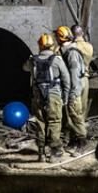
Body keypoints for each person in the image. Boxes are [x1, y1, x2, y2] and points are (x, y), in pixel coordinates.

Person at [27, 32, 71, 161]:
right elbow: (66, 79)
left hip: (38, 96)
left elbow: (24, 68)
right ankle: (54, 153)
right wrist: (65, 96)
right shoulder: (57, 60)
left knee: (40, 122)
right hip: (54, 95)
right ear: (52, 46)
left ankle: (41, 153)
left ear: (39, 46)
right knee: (54, 122)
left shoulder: (32, 60)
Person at [57, 25, 88, 151]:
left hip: (74, 88)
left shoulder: (72, 53)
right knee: (71, 115)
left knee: (76, 115)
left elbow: (74, 75)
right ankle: (74, 141)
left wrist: (73, 94)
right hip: (71, 87)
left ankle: (82, 143)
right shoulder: (66, 51)